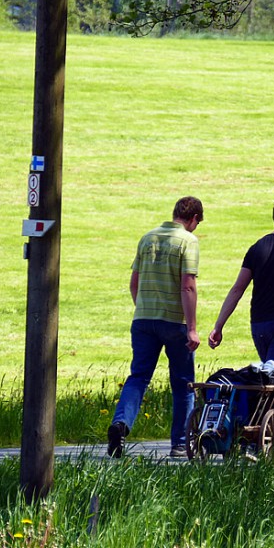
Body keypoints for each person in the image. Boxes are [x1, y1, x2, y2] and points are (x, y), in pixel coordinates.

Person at [107, 196, 203, 459]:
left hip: (143, 320)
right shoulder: (188, 241)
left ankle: (120, 424)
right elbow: (188, 286)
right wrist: (192, 328)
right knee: (183, 382)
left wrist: (144, 308)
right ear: (193, 219)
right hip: (174, 322)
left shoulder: (147, 238)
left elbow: (134, 282)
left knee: (138, 377)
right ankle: (180, 443)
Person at [208, 197, 274, 362]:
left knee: (269, 376)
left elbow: (237, 289)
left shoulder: (256, 247)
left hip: (259, 325)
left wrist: (218, 326)